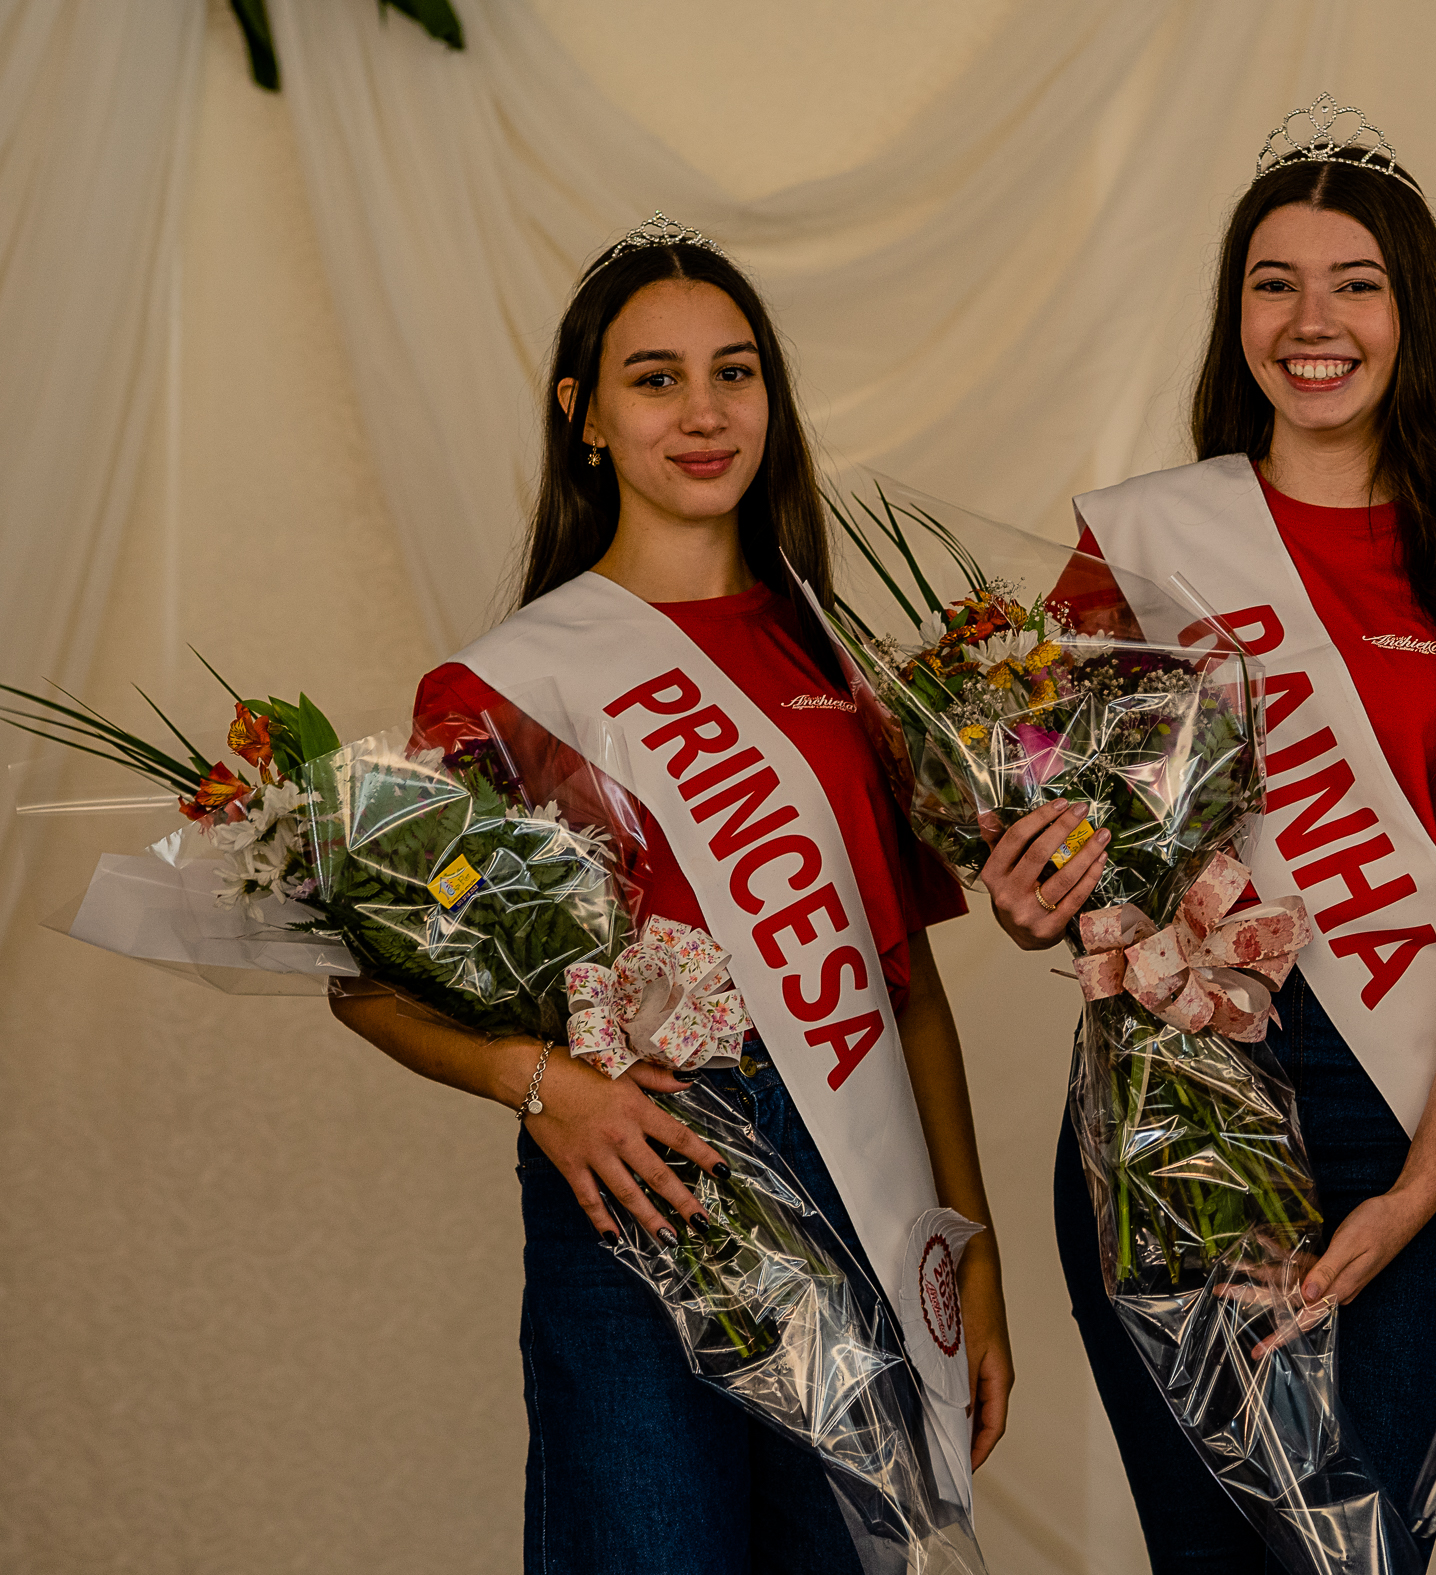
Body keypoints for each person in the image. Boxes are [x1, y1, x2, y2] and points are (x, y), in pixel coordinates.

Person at [329, 217, 1011, 1575]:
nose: (703, 414)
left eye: (735, 373)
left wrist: (971, 1257)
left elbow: (907, 991)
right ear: (584, 417)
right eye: (656, 379)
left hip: (854, 1167)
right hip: (635, 1174)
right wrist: (545, 1087)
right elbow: (367, 983)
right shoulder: (504, 688)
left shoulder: (844, 662)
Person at [983, 100, 1436, 1570]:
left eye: (1355, 284)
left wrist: (1414, 1188)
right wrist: (1029, 892)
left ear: (1414, 316)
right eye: (1275, 283)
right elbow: (1056, 834)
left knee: (1365, 1552)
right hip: (1180, 1100)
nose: (1311, 321)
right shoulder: (1142, 544)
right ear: (1233, 313)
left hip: (1410, 1105)